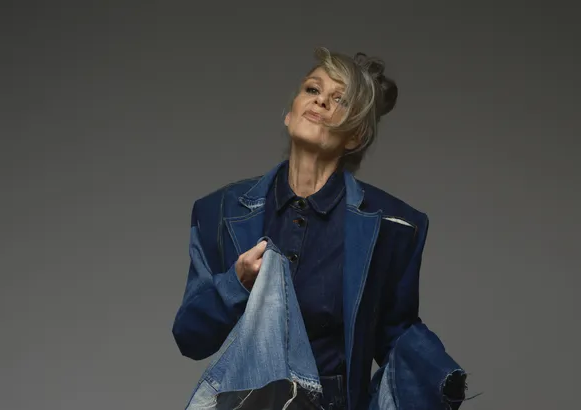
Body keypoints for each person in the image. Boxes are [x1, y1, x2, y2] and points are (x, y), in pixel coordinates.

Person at [173, 47, 467, 410]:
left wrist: (442, 379)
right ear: (289, 114)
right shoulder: (219, 211)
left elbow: (396, 337)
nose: (321, 101)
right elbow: (190, 338)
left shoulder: (394, 226)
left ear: (356, 135)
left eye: (339, 99)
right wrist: (237, 283)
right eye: (312, 89)